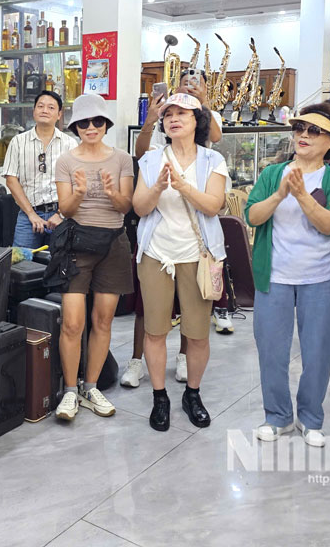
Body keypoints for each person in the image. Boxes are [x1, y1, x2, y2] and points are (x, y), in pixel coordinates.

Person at [244, 102, 330, 447]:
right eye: (300, 129)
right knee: (271, 350)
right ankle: (277, 416)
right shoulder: (272, 173)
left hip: (322, 276)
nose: (304, 135)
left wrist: (303, 196)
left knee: (318, 351)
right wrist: (279, 194)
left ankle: (311, 417)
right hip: (274, 275)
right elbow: (253, 217)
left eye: (315, 131)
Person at [132, 94, 228, 431]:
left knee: (198, 334)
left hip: (198, 256)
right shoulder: (151, 160)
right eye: (168, 114)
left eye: (182, 114)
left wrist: (183, 186)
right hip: (157, 253)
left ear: (197, 120)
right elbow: (140, 208)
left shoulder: (213, 159)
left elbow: (213, 205)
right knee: (155, 330)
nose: (174, 119)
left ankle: (192, 393)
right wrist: (158, 186)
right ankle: (160, 397)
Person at [52, 93, 134, 422]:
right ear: (75, 127)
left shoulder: (122, 159)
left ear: (106, 125)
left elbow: (126, 206)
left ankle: (91, 386)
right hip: (76, 243)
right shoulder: (66, 161)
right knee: (73, 322)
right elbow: (65, 209)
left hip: (113, 243)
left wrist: (114, 192)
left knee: (103, 319)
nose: (91, 127)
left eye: (97, 121)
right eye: (83, 122)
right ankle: (70, 391)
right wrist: (80, 192)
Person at [2, 90, 77, 249]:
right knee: (21, 264)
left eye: (51, 107)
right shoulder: (18, 142)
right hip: (27, 215)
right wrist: (31, 214)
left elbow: (76, 183)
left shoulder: (70, 144)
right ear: (33, 111)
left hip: (61, 216)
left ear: (59, 114)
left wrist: (61, 215)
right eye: (40, 106)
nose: (44, 110)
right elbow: (11, 180)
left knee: (60, 267)